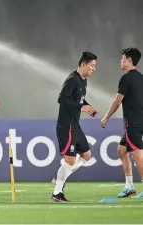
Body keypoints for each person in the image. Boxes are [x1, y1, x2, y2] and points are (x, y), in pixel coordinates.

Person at [52, 51, 98, 202]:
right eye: (91, 66)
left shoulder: (83, 80)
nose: (93, 69)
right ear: (83, 64)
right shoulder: (72, 80)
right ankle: (57, 192)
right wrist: (81, 107)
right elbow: (61, 99)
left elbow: (79, 100)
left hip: (75, 125)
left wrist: (87, 106)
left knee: (87, 156)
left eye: (94, 66)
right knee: (70, 160)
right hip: (66, 126)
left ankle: (60, 178)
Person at [101, 47, 143, 199]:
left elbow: (117, 101)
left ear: (129, 60)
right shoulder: (141, 77)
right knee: (122, 150)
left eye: (123, 59)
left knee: (137, 154)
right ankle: (129, 186)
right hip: (139, 120)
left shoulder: (126, 78)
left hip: (133, 122)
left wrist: (106, 117)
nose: (121, 61)